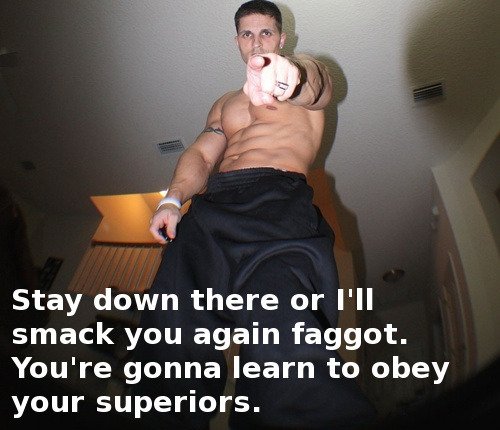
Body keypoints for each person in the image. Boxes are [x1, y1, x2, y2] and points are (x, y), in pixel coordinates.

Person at [134, 1, 376, 429]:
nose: (257, 41)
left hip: (276, 201)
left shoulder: (302, 74)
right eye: (248, 34)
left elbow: (317, 86)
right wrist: (172, 200)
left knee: (281, 328)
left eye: (266, 32)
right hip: (213, 208)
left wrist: (292, 75)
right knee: (170, 328)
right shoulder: (224, 103)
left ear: (281, 38)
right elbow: (201, 154)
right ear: (237, 42)